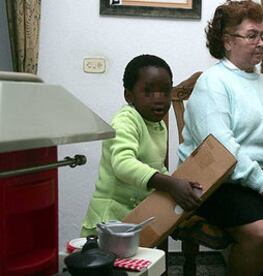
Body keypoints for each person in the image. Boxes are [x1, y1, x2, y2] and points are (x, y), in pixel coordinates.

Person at [177, 1, 263, 275]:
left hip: (261, 178)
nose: (261, 43)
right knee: (260, 231)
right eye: (252, 35)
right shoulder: (213, 82)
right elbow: (222, 149)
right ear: (228, 41)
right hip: (217, 181)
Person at [80, 54, 201, 237]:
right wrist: (170, 184)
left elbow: (156, 167)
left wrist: (178, 184)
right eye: (149, 91)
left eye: (165, 91)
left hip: (136, 219)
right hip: (107, 223)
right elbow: (123, 164)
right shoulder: (125, 121)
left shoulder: (157, 124)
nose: (159, 98)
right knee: (110, 266)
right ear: (129, 96)